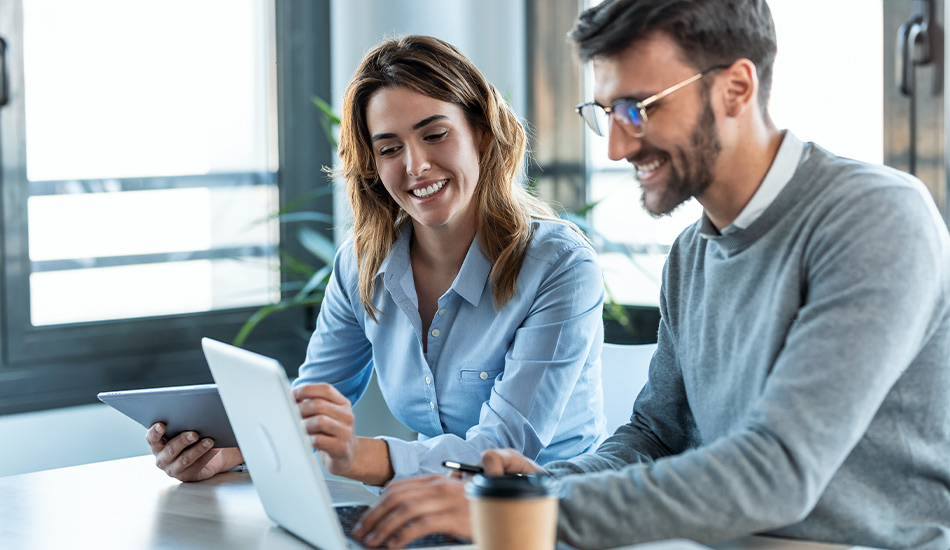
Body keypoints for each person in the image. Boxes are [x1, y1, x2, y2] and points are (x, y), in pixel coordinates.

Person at [352, 1, 950, 549]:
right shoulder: (693, 252)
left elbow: (778, 472)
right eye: (607, 112)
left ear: (736, 88)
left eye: (639, 108)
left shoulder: (875, 218)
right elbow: (653, 436)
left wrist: (535, 510)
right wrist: (537, 485)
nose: (616, 146)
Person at [146, 35, 608, 491]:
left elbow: (502, 452)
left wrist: (356, 456)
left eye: (435, 134)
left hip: (550, 512)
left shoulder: (559, 265)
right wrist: (229, 452)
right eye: (389, 148)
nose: (416, 164)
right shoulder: (363, 265)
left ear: (482, 134)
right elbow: (314, 407)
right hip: (429, 505)